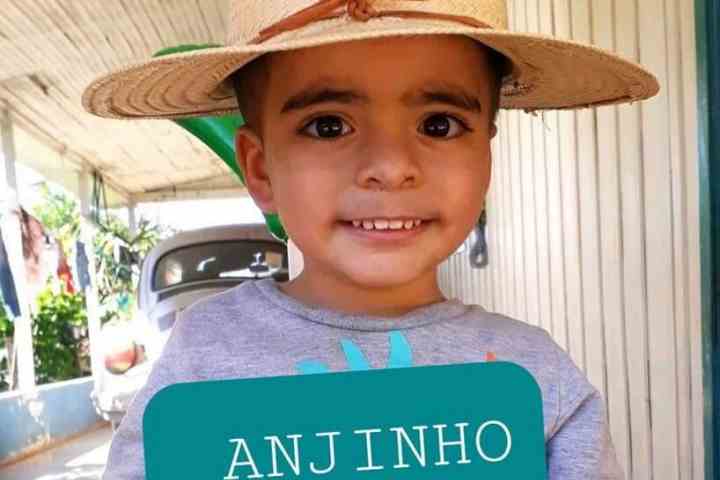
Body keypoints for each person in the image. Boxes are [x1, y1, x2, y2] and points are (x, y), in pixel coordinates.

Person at [82, 1, 660, 479]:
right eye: (328, 125)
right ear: (260, 169)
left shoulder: (538, 378)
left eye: (438, 124)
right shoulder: (202, 358)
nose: (390, 166)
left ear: (486, 158)